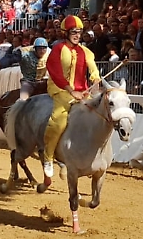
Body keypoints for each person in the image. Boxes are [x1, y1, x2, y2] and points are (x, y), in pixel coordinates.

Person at [43, 16, 101, 179]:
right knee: (59, 121)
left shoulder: (85, 51)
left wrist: (95, 78)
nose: (77, 35)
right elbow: (56, 74)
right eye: (73, 32)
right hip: (61, 91)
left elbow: (93, 68)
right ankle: (48, 157)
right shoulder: (58, 49)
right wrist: (70, 90)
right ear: (65, 33)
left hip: (82, 92)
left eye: (79, 32)